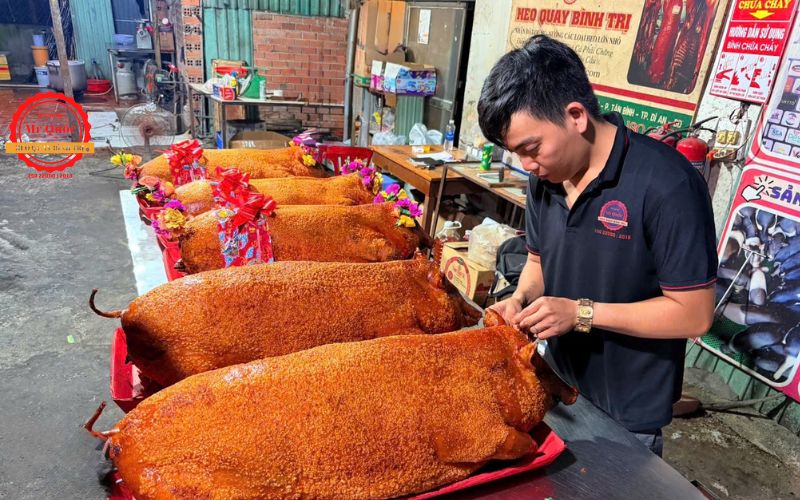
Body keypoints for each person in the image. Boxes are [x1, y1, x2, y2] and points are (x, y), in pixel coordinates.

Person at [477, 35, 717, 457]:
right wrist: (520, 299)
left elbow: (694, 315)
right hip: (556, 379)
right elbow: (538, 259)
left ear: (576, 116)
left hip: (627, 407)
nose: (526, 165)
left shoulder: (668, 185)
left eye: (531, 149)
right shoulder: (544, 180)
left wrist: (580, 312)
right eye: (516, 154)